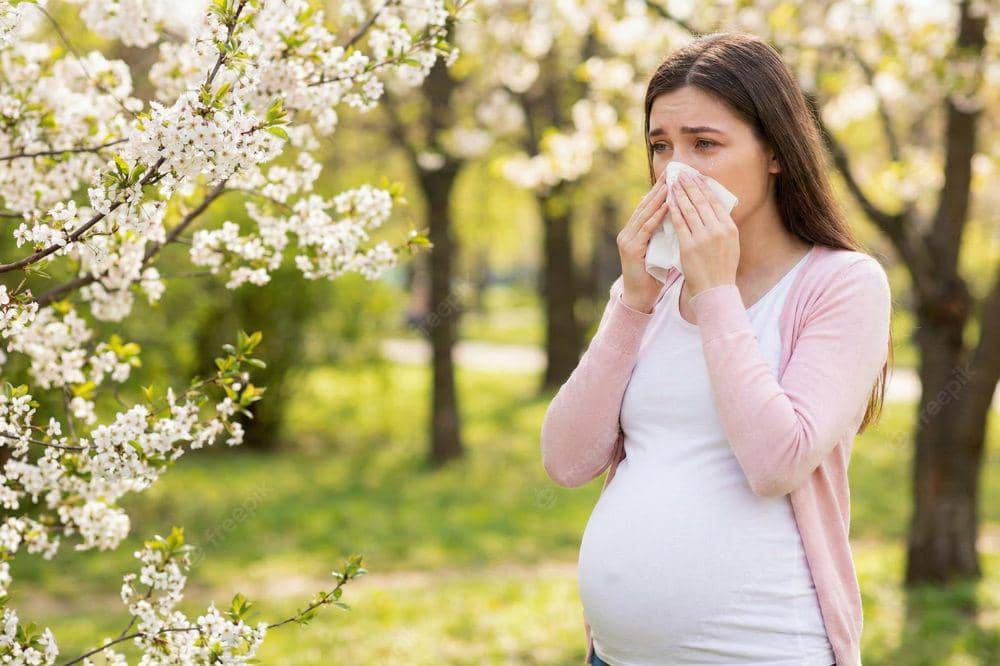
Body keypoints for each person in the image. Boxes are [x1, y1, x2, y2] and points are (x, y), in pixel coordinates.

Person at [540, 31, 894, 666]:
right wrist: (632, 303)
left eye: (705, 144)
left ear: (775, 153)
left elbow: (775, 463)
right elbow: (566, 461)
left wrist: (715, 291)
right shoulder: (650, 290)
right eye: (660, 146)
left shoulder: (842, 284)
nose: (676, 170)